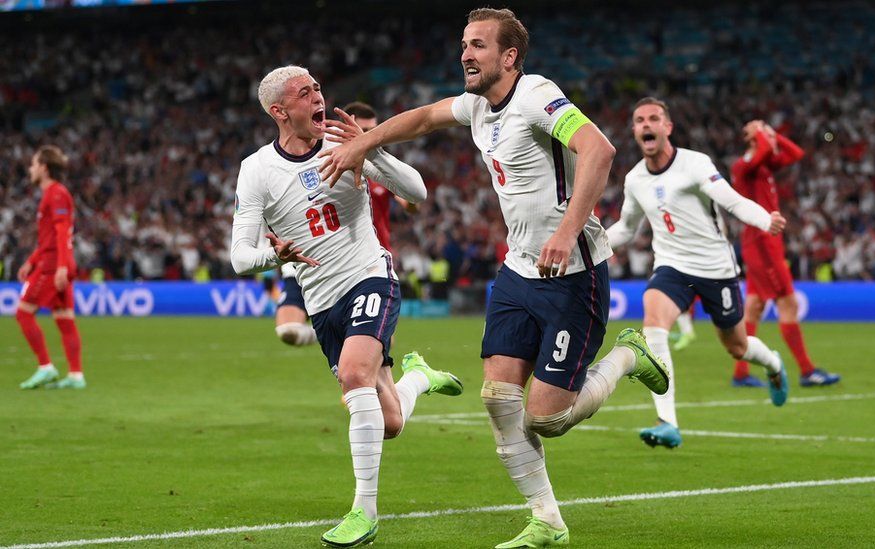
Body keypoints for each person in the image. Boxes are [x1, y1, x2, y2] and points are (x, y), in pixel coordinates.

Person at [318, 9, 669, 547]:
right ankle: (547, 520)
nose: (465, 54)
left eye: (477, 45)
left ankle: (627, 356)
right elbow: (422, 118)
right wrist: (365, 143)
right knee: (499, 398)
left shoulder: (536, 95)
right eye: (464, 44)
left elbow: (599, 149)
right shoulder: (478, 105)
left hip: (574, 272)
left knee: (547, 418)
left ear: (508, 56)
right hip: (518, 271)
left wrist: (566, 229)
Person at [231, 65, 463, 548]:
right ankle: (419, 376)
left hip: (369, 276)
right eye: (304, 93)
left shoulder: (346, 144)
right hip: (321, 301)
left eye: (317, 86)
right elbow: (239, 257)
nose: (318, 96)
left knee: (356, 375)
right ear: (279, 111)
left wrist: (370, 146)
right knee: (391, 422)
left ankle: (364, 511)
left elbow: (417, 193)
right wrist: (276, 255)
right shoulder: (257, 170)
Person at [606, 97, 789, 450]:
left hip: (715, 268)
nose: (647, 124)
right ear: (634, 131)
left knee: (736, 347)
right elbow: (626, 230)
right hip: (672, 266)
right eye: (640, 120)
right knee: (653, 324)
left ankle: (773, 363)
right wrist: (585, 245)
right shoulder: (635, 180)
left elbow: (731, 201)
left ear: (667, 127)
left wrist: (766, 219)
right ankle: (667, 422)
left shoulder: (694, 164)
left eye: (654, 118)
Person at [274, 101, 416, 348]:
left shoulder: (377, 164)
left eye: (373, 129)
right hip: (320, 258)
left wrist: (408, 196)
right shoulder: (323, 158)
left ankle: (412, 380)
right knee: (289, 331)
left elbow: (412, 202)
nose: (368, 136)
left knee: (379, 347)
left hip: (369, 261)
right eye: (363, 128)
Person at [730, 121, 841, 387]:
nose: (766, 131)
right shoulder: (744, 166)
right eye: (759, 128)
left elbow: (796, 154)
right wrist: (763, 133)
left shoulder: (763, 165)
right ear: (749, 137)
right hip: (761, 242)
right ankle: (807, 371)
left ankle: (741, 373)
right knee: (788, 303)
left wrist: (773, 133)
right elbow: (766, 147)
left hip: (765, 241)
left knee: (754, 308)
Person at [15, 145, 86, 390]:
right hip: (53, 263)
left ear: (44, 168)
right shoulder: (53, 194)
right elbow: (48, 238)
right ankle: (76, 375)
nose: (31, 168)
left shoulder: (55, 194)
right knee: (65, 319)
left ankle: (45, 367)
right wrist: (31, 260)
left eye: (34, 164)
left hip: (53, 266)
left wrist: (61, 267)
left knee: (23, 314)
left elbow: (62, 231)